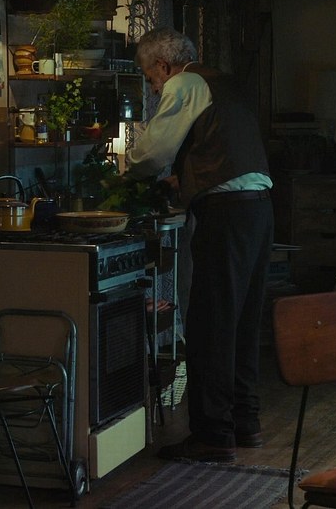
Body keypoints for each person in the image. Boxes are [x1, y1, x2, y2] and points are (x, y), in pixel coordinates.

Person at [125, 27, 273, 463]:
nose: (154, 89)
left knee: (210, 323)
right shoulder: (223, 82)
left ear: (163, 65)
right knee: (243, 320)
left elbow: (152, 153)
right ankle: (245, 422)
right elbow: (221, 147)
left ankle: (212, 434)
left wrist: (125, 170)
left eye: (151, 79)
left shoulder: (185, 82)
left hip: (226, 214)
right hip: (259, 208)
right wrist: (186, 177)